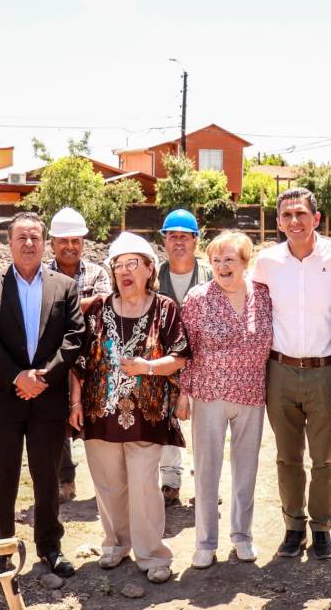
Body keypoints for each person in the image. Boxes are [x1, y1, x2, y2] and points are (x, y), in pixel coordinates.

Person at [68, 232, 189, 584]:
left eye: (133, 264)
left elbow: (180, 355)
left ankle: (152, 554)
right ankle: (116, 544)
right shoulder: (96, 308)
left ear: (150, 269)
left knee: (143, 485)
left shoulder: (164, 308)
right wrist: (75, 402)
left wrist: (148, 367)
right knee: (108, 485)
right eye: (118, 265)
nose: (125, 271)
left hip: (147, 414)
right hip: (97, 411)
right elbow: (78, 359)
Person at [0, 211, 84, 578]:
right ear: (9, 242)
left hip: (48, 400)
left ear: (44, 242)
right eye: (21, 237)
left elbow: (73, 338)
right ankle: (0, 551)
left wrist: (44, 377)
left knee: (47, 478)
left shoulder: (64, 286)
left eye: (35, 237)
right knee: (2, 478)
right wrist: (17, 376)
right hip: (4, 399)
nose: (28, 243)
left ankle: (50, 547)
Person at [252, 188, 331, 560]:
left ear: (317, 218)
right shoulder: (267, 262)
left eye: (301, 214)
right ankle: (293, 526)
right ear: (278, 222)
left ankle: (322, 528)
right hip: (280, 370)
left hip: (325, 372)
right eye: (287, 216)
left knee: (324, 458)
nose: (295, 221)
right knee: (286, 456)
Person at [179, 230, 272, 568]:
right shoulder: (198, 297)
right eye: (215, 260)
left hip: (251, 392)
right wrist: (183, 394)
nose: (221, 266)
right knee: (207, 470)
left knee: (246, 470)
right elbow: (185, 349)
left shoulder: (263, 295)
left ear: (245, 262)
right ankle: (205, 542)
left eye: (229, 259)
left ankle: (242, 537)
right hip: (209, 392)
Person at [45, 206, 111, 504]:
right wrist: (84, 303)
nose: (70, 247)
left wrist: (63, 306)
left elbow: (105, 307)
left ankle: (108, 486)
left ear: (83, 242)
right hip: (54, 357)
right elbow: (45, 314)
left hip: (94, 357)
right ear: (52, 243)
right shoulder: (42, 273)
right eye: (63, 241)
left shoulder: (98, 272)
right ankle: (65, 480)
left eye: (76, 241)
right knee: (56, 422)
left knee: (96, 422)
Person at [156, 208, 211, 507]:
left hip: (204, 364)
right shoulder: (154, 276)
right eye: (173, 236)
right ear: (164, 240)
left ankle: (205, 482)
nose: (179, 242)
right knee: (166, 422)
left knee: (205, 426)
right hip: (166, 362)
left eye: (185, 237)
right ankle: (170, 481)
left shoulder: (209, 275)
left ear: (195, 241)